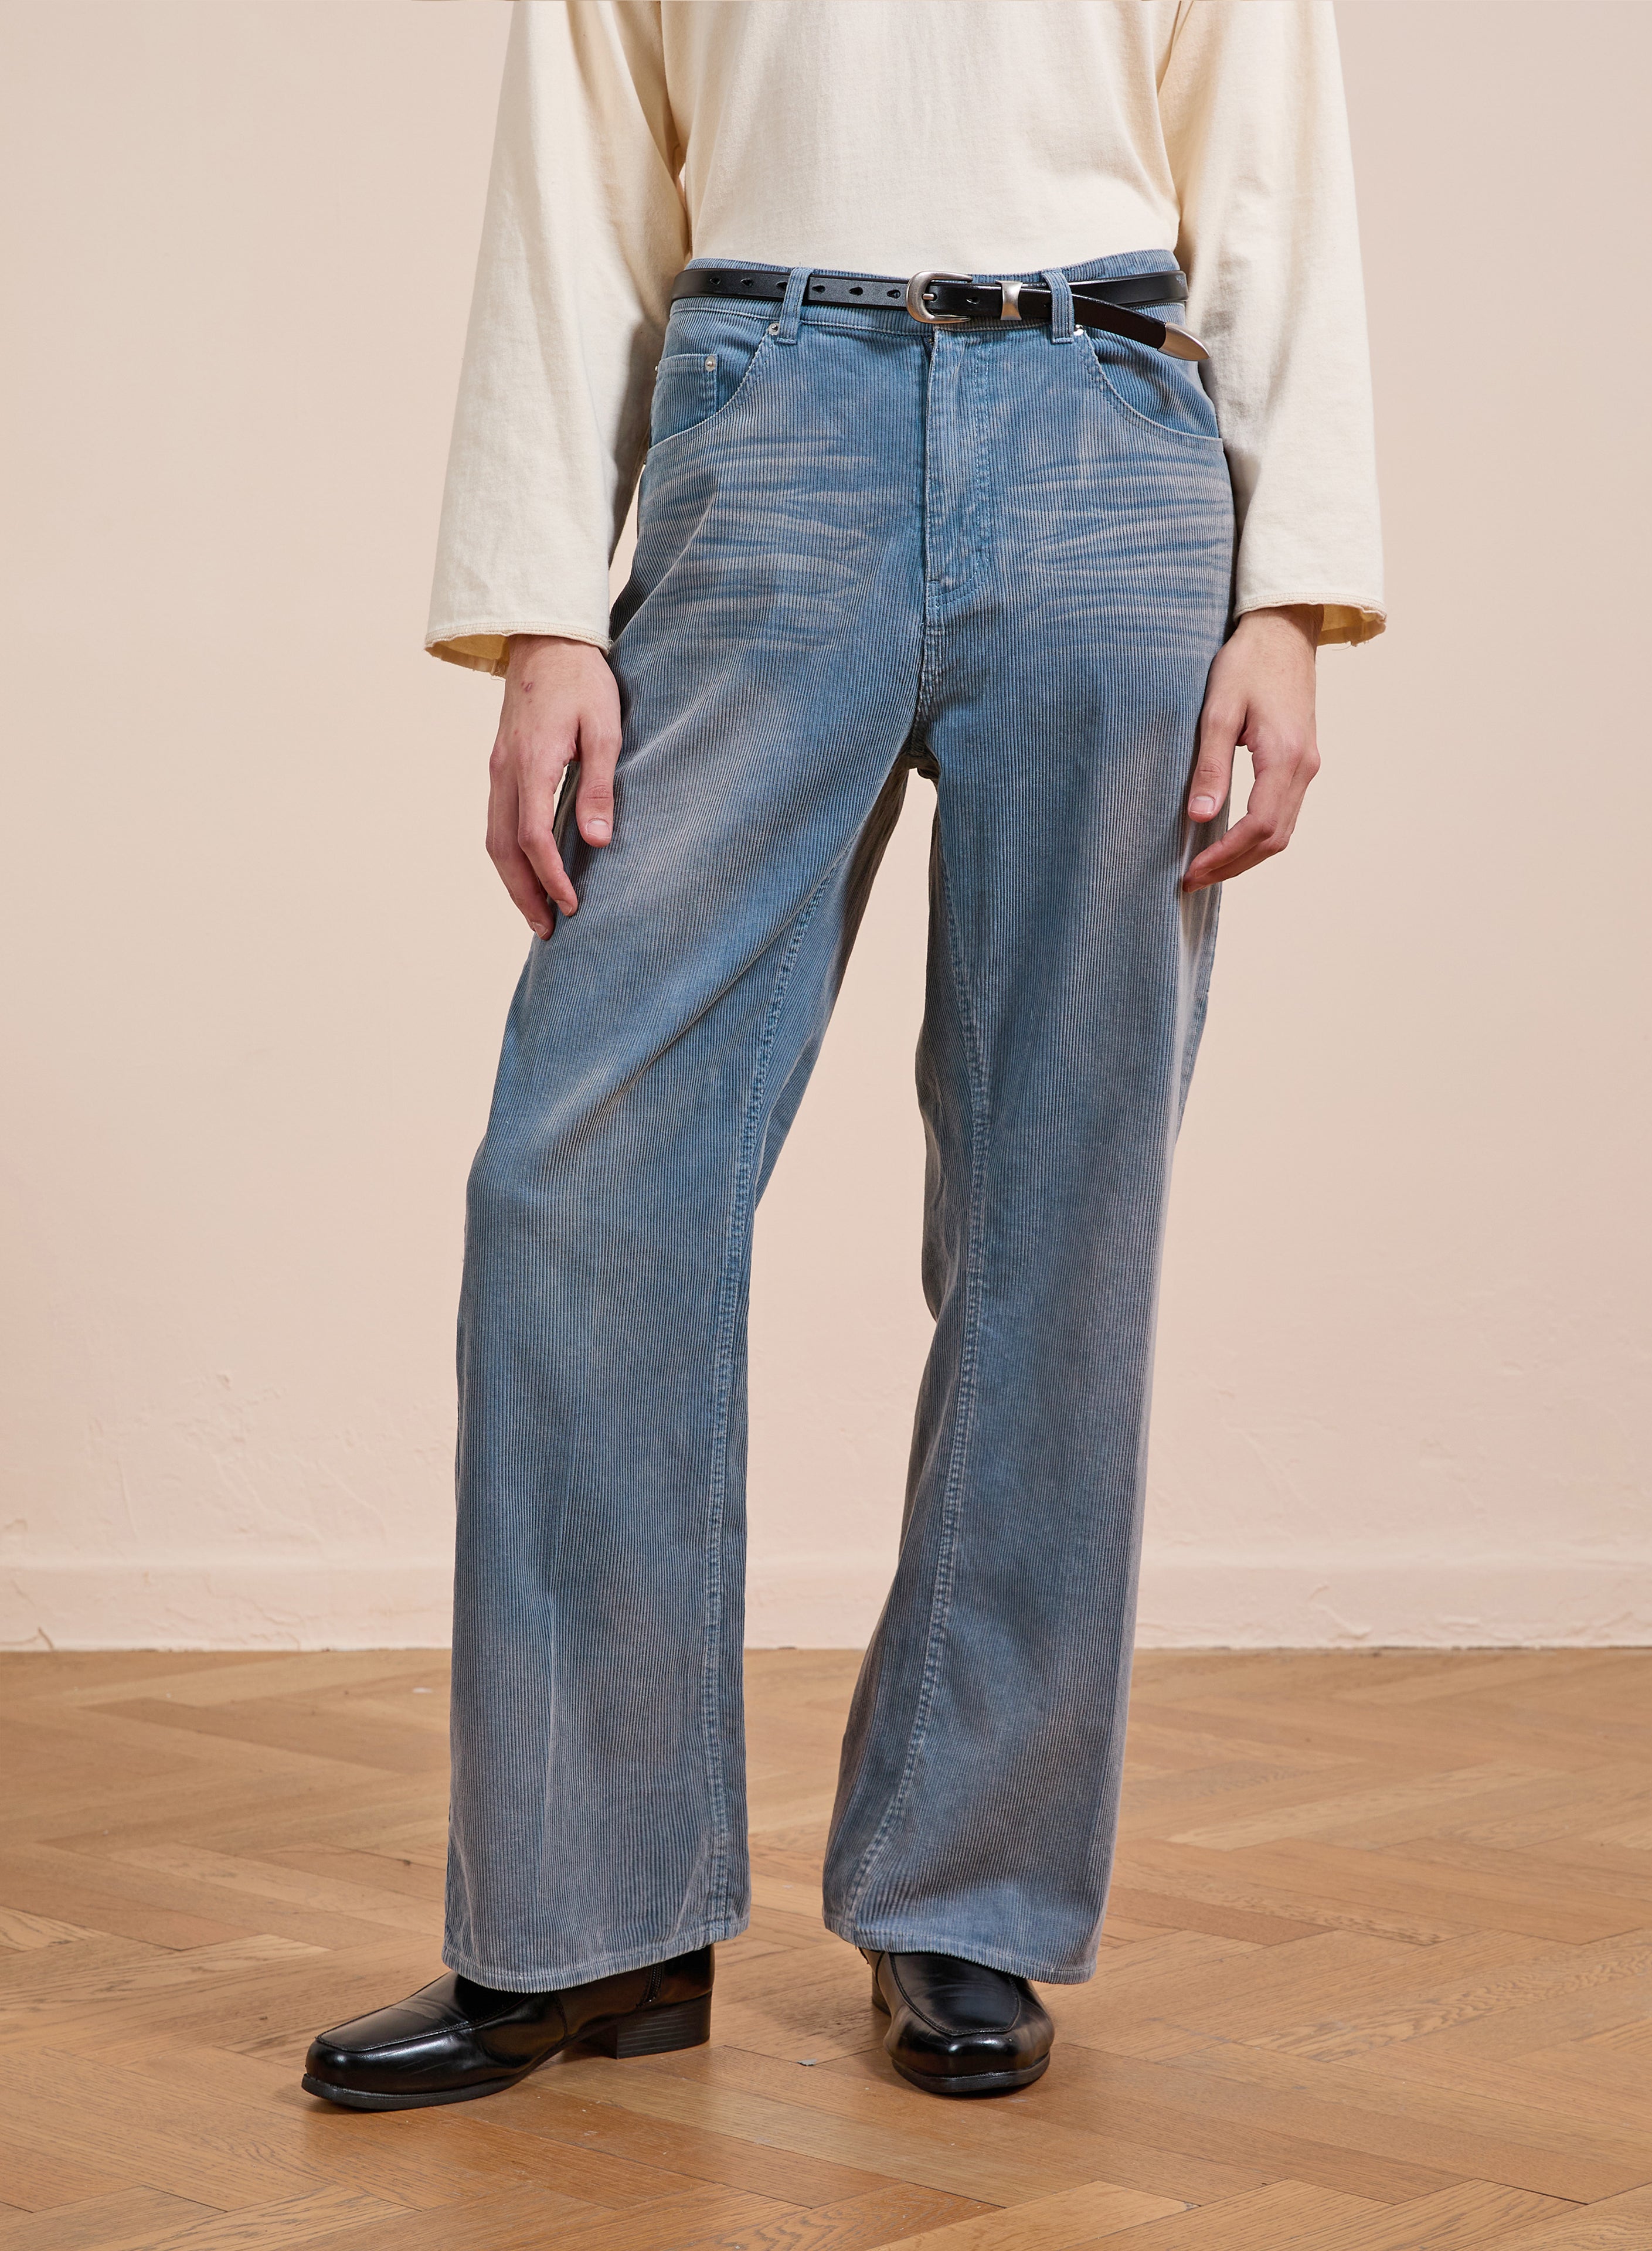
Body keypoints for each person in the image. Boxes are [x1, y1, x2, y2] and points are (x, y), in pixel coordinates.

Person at [303, 0, 1383, 2110]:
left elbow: (1270, 154)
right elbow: (577, 168)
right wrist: (540, 610)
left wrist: (1297, 595)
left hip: (1106, 425)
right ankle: (583, 1922)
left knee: (1060, 1201)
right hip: (761, 417)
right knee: (582, 1167)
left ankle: (965, 1902)